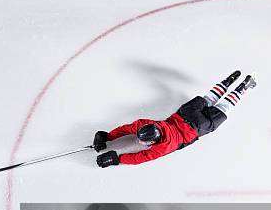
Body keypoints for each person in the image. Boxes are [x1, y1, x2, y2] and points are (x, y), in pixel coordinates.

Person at [93, 70, 257, 167]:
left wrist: (117, 158)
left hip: (197, 126)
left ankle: (242, 87)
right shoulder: (147, 125)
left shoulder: (165, 145)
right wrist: (107, 136)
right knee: (209, 99)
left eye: (143, 142)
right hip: (186, 114)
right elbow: (127, 130)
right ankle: (230, 81)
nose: (139, 141)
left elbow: (141, 157)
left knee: (222, 107)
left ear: (152, 142)